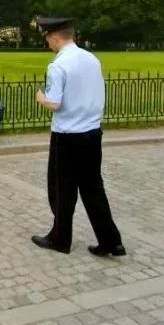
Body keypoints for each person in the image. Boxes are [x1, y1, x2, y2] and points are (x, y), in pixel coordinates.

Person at [31, 17, 126, 257]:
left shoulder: (58, 65)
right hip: (92, 133)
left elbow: (54, 103)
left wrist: (40, 98)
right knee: (94, 188)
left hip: (67, 136)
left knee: (62, 189)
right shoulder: (91, 59)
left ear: (54, 37)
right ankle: (111, 240)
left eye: (47, 39)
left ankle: (60, 238)